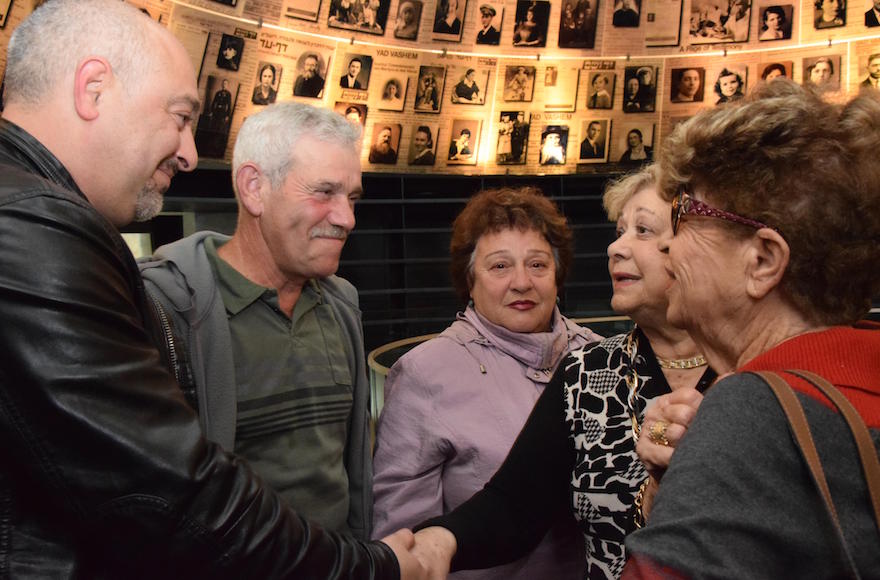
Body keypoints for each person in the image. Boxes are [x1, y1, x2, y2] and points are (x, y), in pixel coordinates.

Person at [0, 1, 422, 577]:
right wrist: (373, 569)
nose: (190, 152)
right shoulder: (34, 227)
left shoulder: (342, 304)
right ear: (92, 89)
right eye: (179, 117)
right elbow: (171, 496)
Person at [622, 79, 880, 580]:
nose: (668, 246)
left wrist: (727, 443)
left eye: (685, 214)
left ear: (762, 260)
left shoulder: (752, 409)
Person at [406, 167, 717, 579]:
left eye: (642, 230)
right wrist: (437, 542)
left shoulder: (755, 367)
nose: (615, 249)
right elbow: (515, 507)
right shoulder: (586, 370)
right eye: (618, 231)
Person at [373, 187, 603, 580]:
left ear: (558, 275)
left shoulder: (600, 357)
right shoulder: (426, 374)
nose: (521, 283)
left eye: (538, 265)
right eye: (499, 267)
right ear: (469, 278)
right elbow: (406, 544)